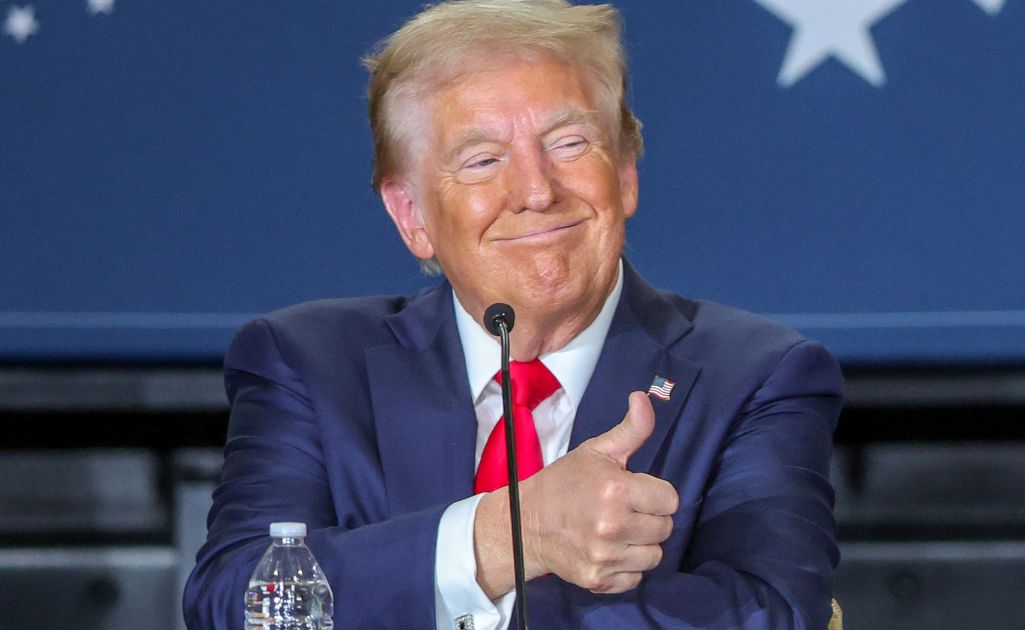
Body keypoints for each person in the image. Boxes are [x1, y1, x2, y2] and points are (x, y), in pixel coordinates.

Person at [182, 1, 843, 628]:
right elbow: (237, 602)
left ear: (627, 173)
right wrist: (505, 536)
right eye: (483, 160)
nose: (535, 191)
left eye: (570, 143)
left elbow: (775, 613)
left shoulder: (752, 376)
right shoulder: (310, 363)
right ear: (411, 216)